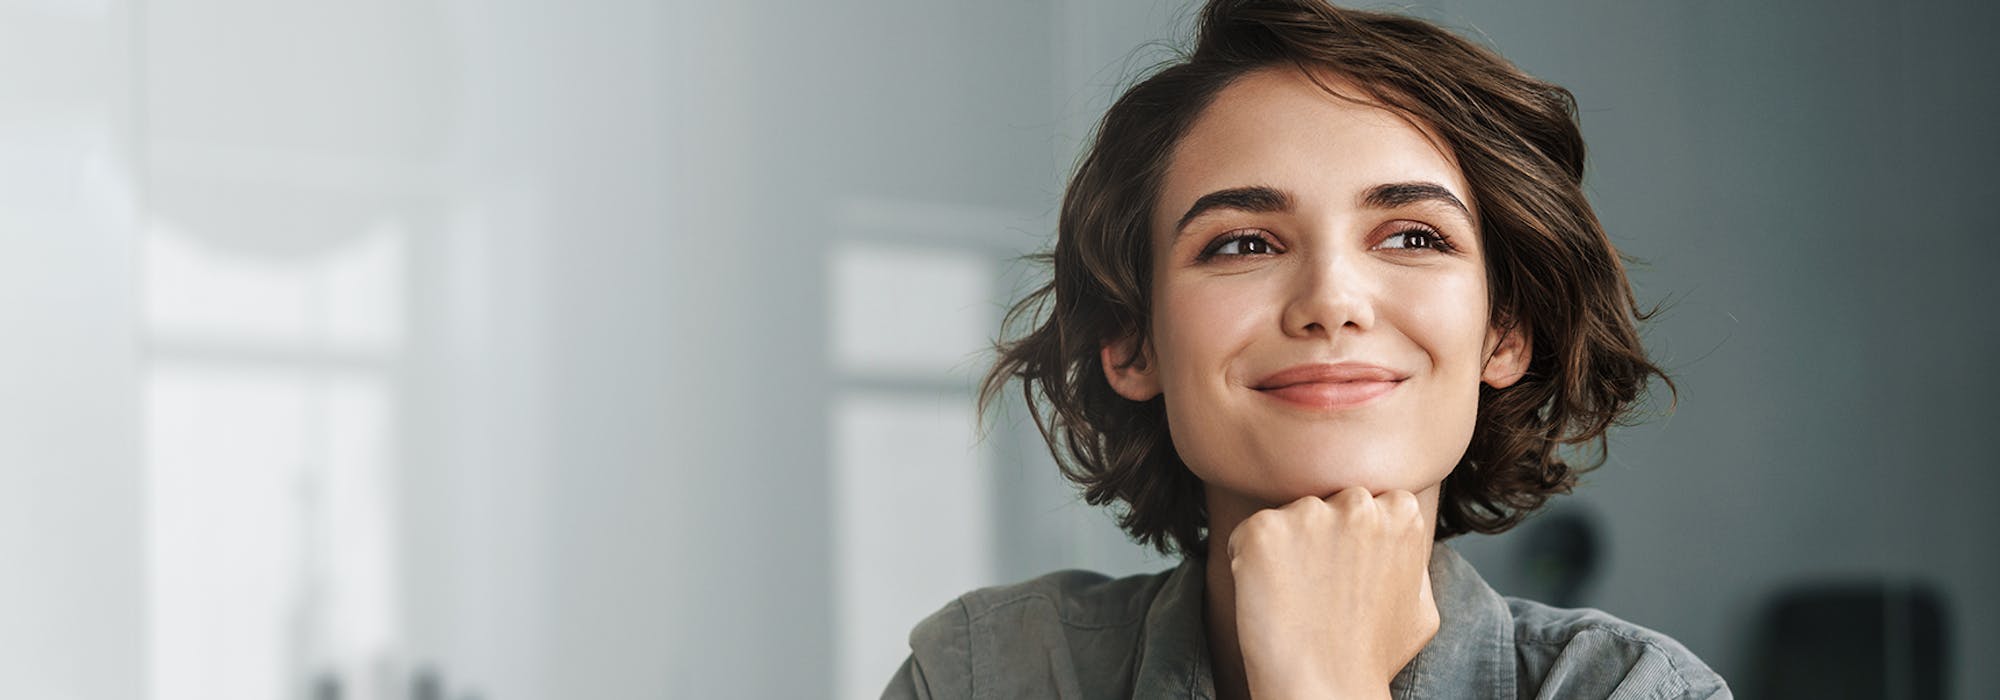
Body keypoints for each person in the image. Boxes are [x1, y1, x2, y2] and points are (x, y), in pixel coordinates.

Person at [882, 0, 1731, 697]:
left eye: (1411, 237)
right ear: (1130, 341)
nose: (1331, 301)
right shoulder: (984, 675)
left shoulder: (1636, 691)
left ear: (1504, 332)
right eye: (1243, 244)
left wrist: (1323, 680)